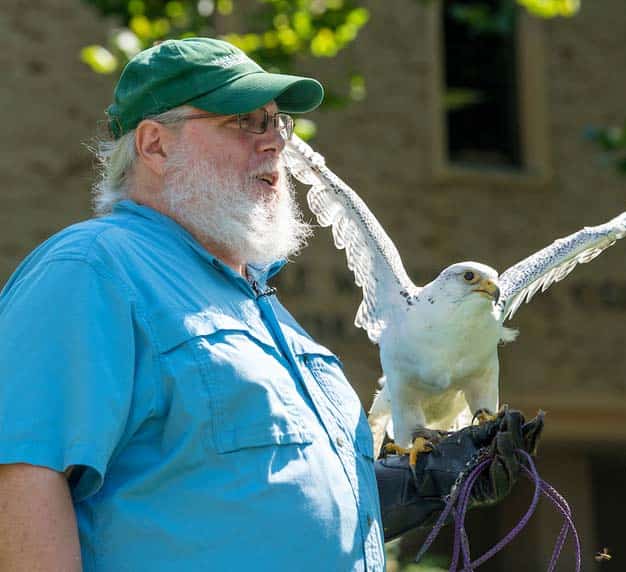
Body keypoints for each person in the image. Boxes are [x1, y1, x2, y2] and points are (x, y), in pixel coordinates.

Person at [0, 37, 541, 571]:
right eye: (243, 122)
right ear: (155, 145)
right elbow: (19, 480)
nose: (273, 143)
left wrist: (423, 485)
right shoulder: (93, 269)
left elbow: (261, 498)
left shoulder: (260, 304)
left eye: (277, 123)